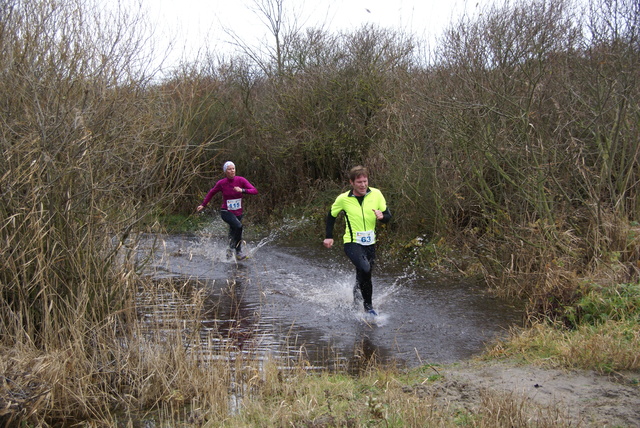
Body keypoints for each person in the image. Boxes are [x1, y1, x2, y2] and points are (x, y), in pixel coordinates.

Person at [323, 166, 391, 315]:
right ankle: (369, 308)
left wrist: (382, 217)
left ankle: (356, 300)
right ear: (352, 182)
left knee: (364, 273)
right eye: (359, 182)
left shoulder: (376, 194)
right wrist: (329, 236)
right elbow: (331, 215)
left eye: (365, 181)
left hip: (370, 243)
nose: (363, 185)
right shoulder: (343, 199)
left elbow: (387, 216)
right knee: (365, 268)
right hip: (352, 242)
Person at [197, 161, 258, 260]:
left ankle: (229, 251)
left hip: (238, 212)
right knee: (238, 226)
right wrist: (203, 204)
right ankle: (238, 252)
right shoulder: (221, 183)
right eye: (229, 169)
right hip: (226, 211)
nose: (232, 171)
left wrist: (242, 190)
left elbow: (254, 191)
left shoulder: (241, 180)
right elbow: (211, 193)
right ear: (225, 171)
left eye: (233, 168)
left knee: (233, 232)